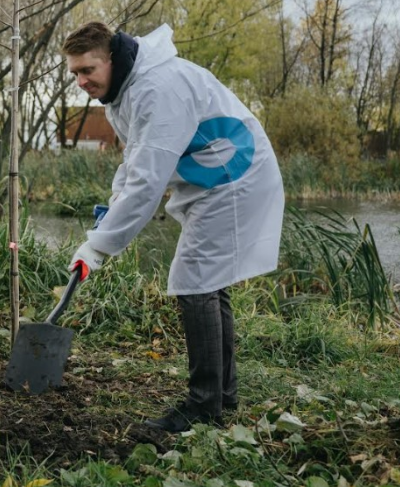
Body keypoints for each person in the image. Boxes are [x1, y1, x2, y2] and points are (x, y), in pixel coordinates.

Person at [62, 22, 284, 433]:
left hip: (235, 178)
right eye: (74, 72)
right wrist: (110, 215)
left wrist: (99, 247)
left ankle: (204, 405)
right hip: (217, 179)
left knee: (193, 280)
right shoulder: (123, 91)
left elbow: (149, 182)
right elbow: (134, 164)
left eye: (88, 69)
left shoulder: (156, 88)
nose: (81, 81)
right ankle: (222, 395)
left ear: (111, 58)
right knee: (207, 281)